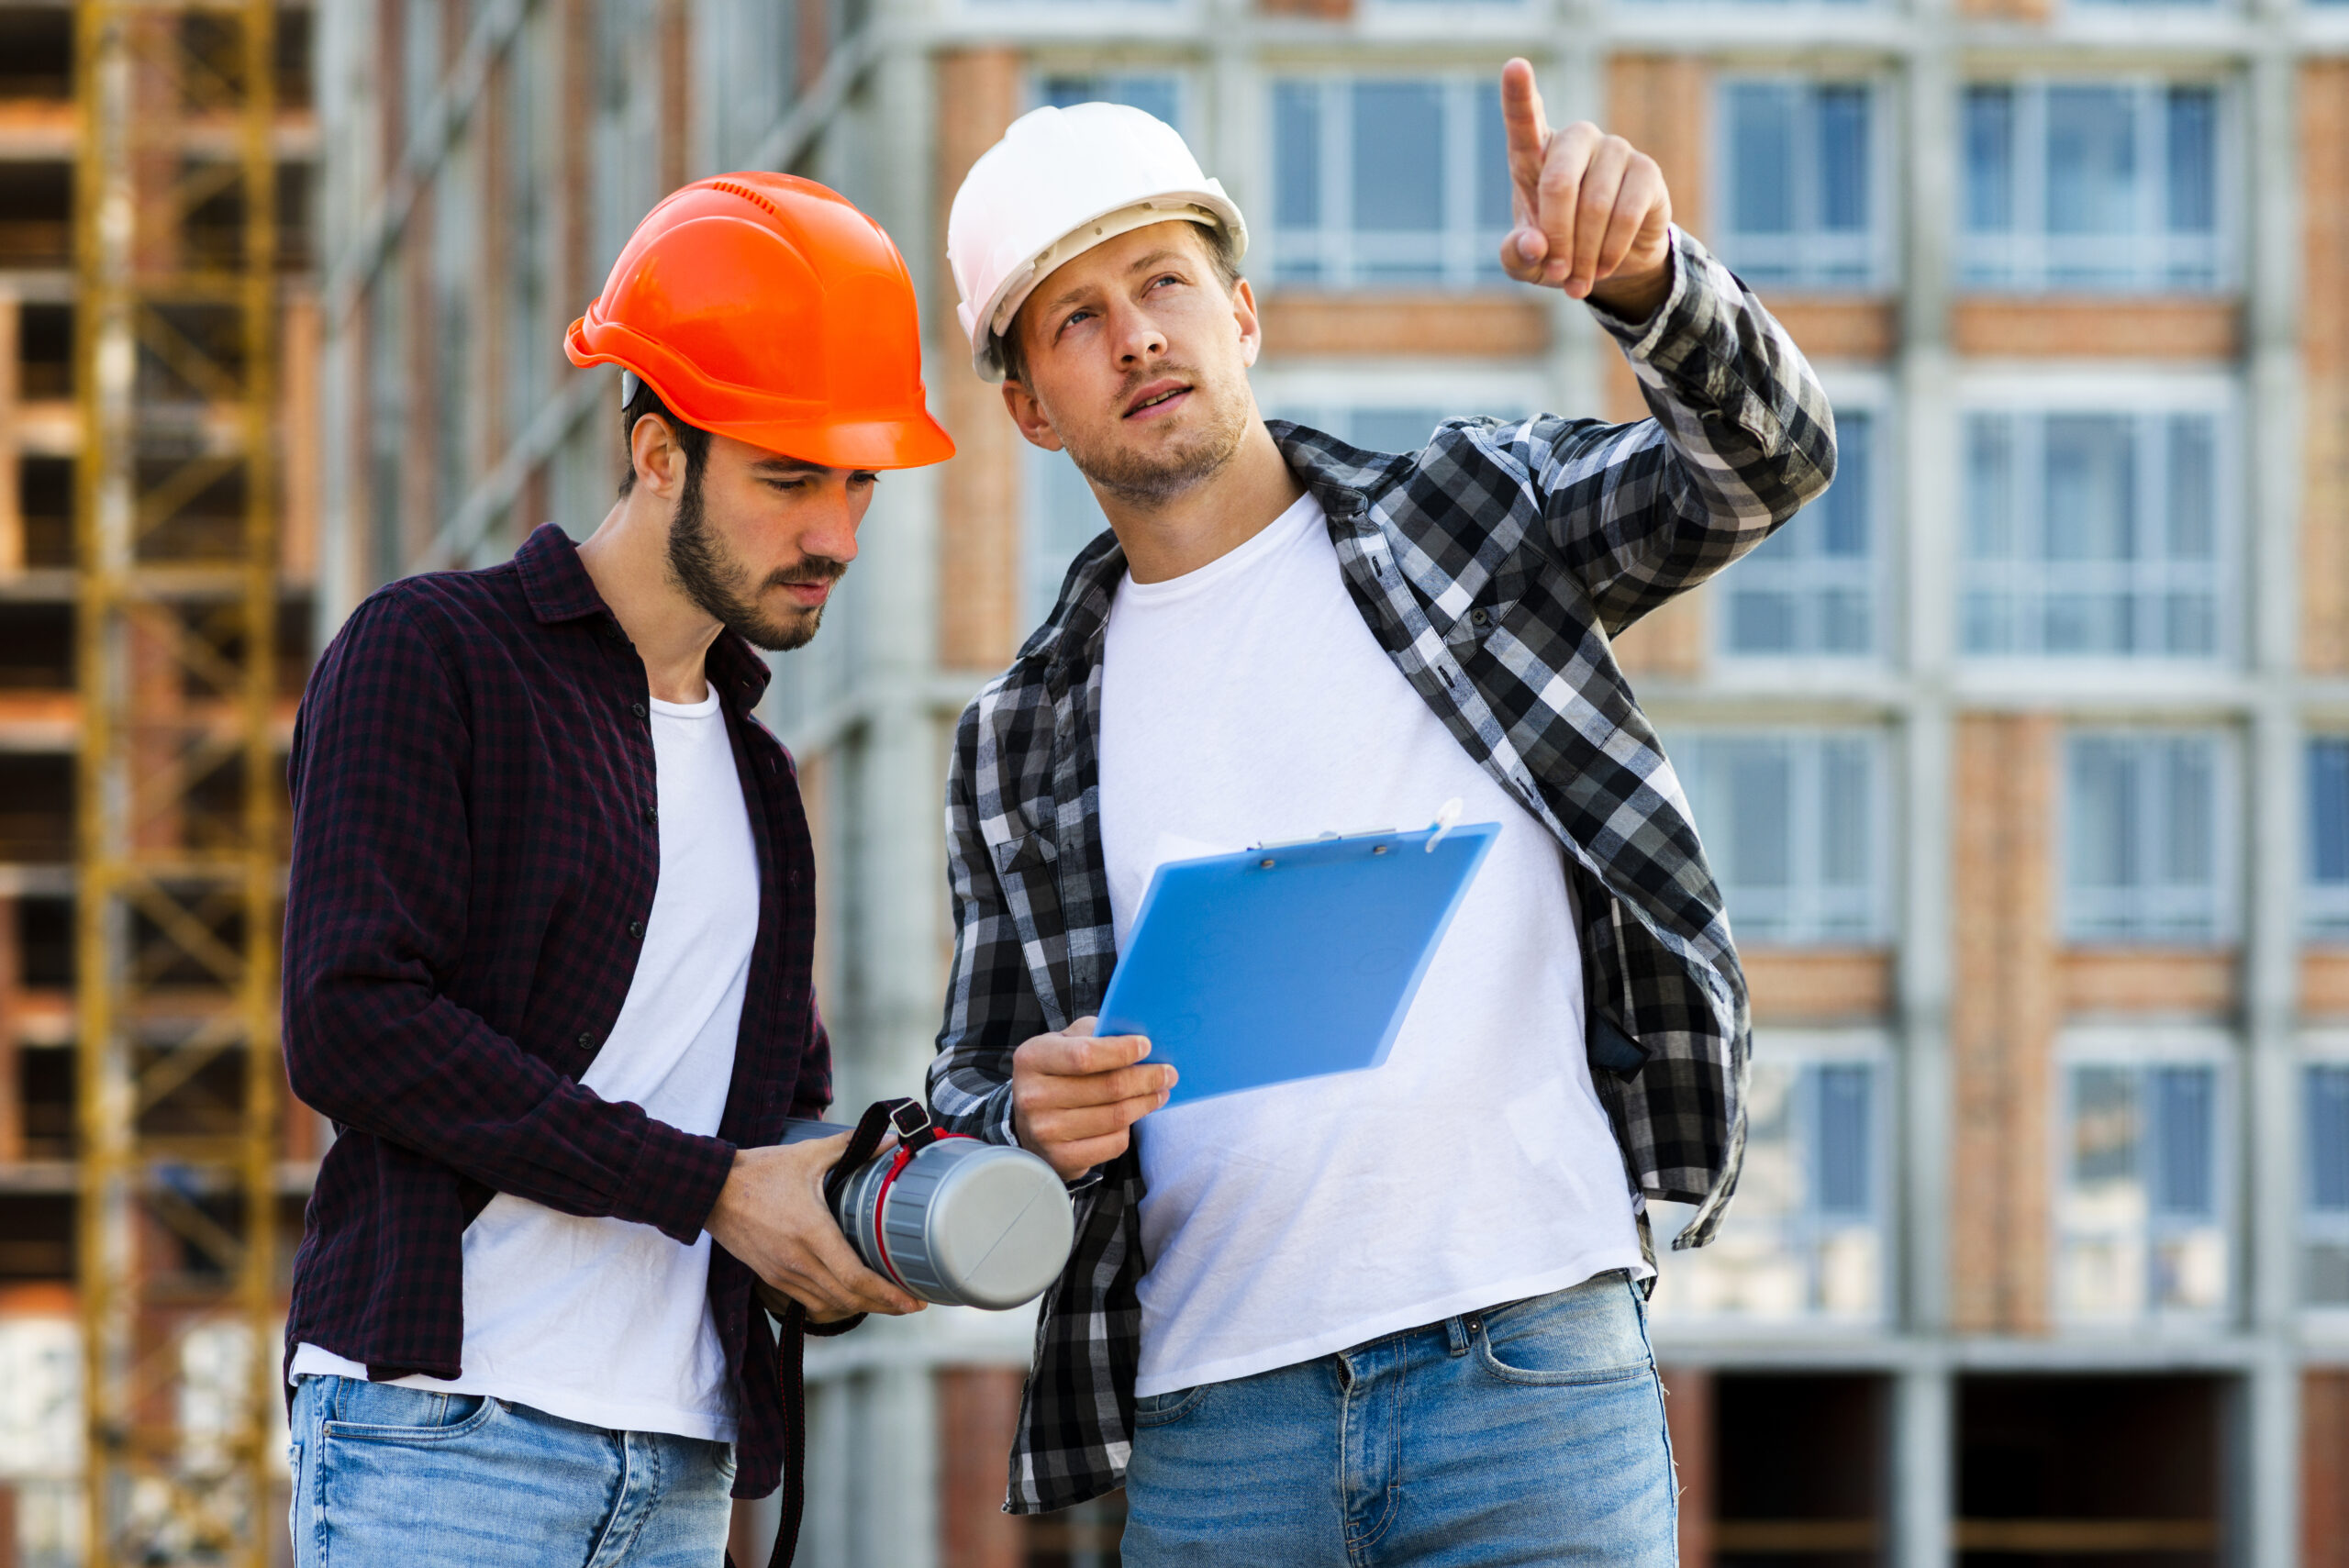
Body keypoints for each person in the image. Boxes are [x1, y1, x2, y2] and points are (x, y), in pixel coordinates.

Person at [929, 60, 1835, 1564]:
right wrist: (1022, 1114)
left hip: (1526, 1378)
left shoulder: (1465, 520)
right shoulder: (1019, 738)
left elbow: (1766, 464)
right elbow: (969, 1086)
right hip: (1218, 1431)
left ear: (1244, 315)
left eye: (1164, 280)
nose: (1138, 333)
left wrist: (1655, 289)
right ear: (1030, 406)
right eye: (1076, 319)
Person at [278, 173, 952, 1568]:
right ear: (657, 451)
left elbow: (769, 1133)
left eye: (856, 482)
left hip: (684, 1466)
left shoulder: (763, 776)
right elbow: (351, 1021)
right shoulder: (435, 652)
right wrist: (712, 1187)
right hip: (445, 1433)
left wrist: (851, 1229)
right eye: (785, 477)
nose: (833, 533)